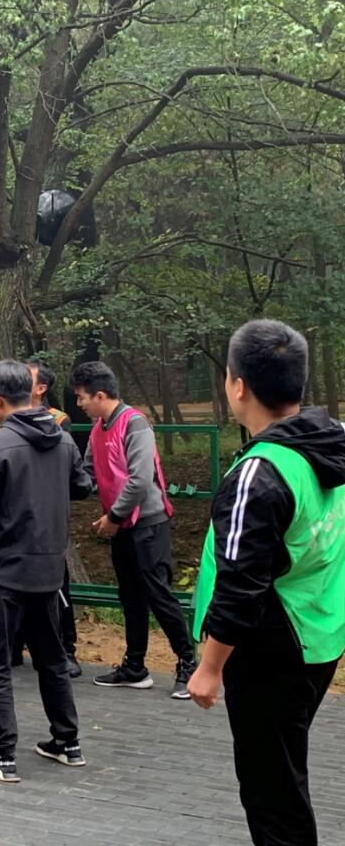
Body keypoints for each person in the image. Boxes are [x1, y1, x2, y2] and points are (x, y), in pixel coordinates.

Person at [189, 320, 345, 846]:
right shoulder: (331, 443)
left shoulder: (260, 473)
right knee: (284, 774)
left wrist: (210, 667)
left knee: (272, 795)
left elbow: (241, 584)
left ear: (237, 385)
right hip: (319, 635)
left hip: (271, 651)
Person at [0, 362, 92, 783]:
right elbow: (82, 486)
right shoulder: (62, 438)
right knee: (52, 659)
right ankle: (67, 743)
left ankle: (3, 756)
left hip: (3, 573)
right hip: (48, 570)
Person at [70, 361, 197, 698]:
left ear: (100, 395)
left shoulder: (135, 423)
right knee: (130, 596)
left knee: (158, 593)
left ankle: (188, 663)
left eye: (82, 397)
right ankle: (135, 666)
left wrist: (112, 517)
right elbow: (88, 473)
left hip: (148, 522)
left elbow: (140, 480)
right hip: (122, 525)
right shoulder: (98, 428)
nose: (79, 404)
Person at [12, 360, 81, 678]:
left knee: (57, 585)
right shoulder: (5, 417)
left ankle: (67, 649)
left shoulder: (59, 421)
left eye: (27, 378)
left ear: (41, 388)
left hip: (46, 515)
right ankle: (14, 645)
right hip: (14, 515)